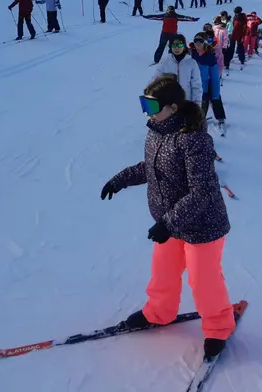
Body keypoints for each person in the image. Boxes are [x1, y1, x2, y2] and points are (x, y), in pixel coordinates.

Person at [100, 76, 234, 360]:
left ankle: (218, 327)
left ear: (173, 107)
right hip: (170, 222)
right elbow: (150, 167)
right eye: (143, 105)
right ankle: (158, 312)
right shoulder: (156, 131)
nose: (147, 113)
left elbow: (202, 192)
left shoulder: (194, 140)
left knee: (203, 281)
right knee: (163, 273)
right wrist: (119, 180)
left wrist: (167, 223)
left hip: (202, 225)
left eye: (152, 106)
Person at [190, 32, 226, 129]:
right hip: (194, 85)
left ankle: (220, 117)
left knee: (213, 99)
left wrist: (215, 92)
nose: (197, 43)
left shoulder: (210, 57)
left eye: (200, 41)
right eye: (196, 41)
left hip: (206, 86)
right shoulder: (190, 54)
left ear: (205, 43)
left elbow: (215, 77)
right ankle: (196, 120)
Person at [153, 34, 202, 102]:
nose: (177, 48)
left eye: (180, 45)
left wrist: (197, 104)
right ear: (170, 47)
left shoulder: (191, 63)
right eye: (174, 45)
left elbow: (196, 86)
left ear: (184, 47)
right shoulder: (165, 62)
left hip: (186, 102)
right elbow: (155, 81)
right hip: (169, 103)